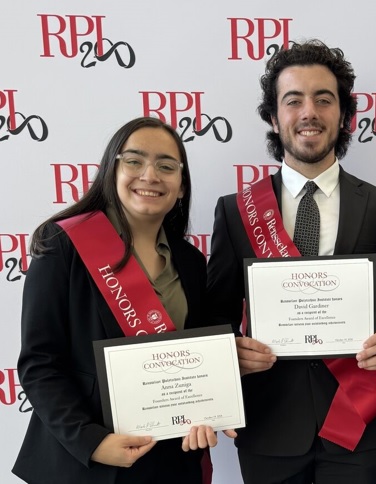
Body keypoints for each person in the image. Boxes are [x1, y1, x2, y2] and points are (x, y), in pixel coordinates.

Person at [206, 39, 376, 484]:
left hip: (357, 425)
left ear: (343, 115)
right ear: (272, 116)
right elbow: (216, 316)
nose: (309, 112)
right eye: (293, 100)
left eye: (324, 99)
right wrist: (231, 353)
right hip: (268, 426)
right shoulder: (235, 210)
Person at [12, 117, 234, 484]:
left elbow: (199, 363)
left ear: (181, 186)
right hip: (82, 463)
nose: (150, 175)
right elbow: (40, 364)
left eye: (166, 166)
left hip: (169, 463)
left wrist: (206, 412)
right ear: (111, 171)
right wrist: (92, 442)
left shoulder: (193, 262)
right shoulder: (63, 245)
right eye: (134, 161)